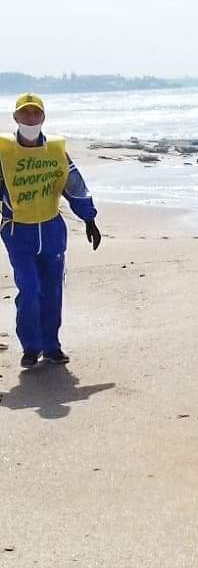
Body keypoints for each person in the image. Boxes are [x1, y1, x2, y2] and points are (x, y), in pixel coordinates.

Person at [0, 94, 101, 367]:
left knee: (52, 289)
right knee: (30, 288)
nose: (30, 118)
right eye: (25, 113)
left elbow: (74, 184)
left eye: (35, 113)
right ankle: (31, 347)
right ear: (15, 117)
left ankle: (51, 346)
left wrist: (89, 218)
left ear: (43, 117)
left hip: (52, 230)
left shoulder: (56, 151)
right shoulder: (3, 153)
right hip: (18, 232)